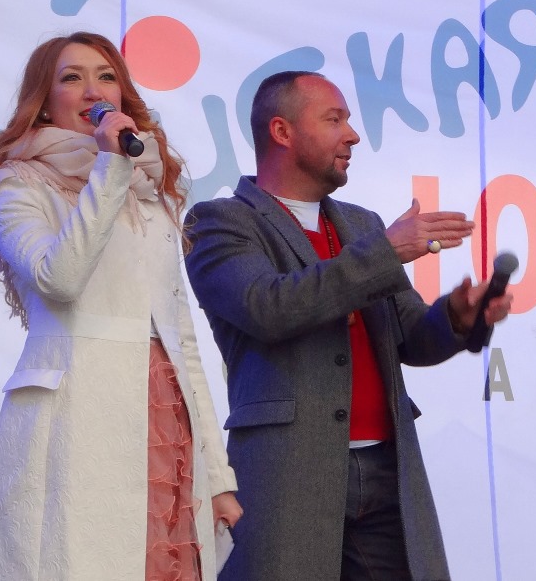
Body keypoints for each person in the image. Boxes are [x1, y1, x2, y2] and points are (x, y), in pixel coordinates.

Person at [183, 70, 513, 581]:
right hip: (289, 472)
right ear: (282, 131)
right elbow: (268, 307)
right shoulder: (219, 222)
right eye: (334, 120)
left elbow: (408, 337)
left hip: (386, 469)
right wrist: (384, 252)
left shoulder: (361, 225)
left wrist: (454, 316)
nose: (352, 135)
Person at [0, 32, 242, 580]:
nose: (93, 90)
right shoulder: (17, 184)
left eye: (106, 77)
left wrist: (218, 478)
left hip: (164, 414)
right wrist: (110, 166)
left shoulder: (148, 191)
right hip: (78, 421)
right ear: (44, 102)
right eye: (72, 78)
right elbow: (60, 278)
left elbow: (181, 340)